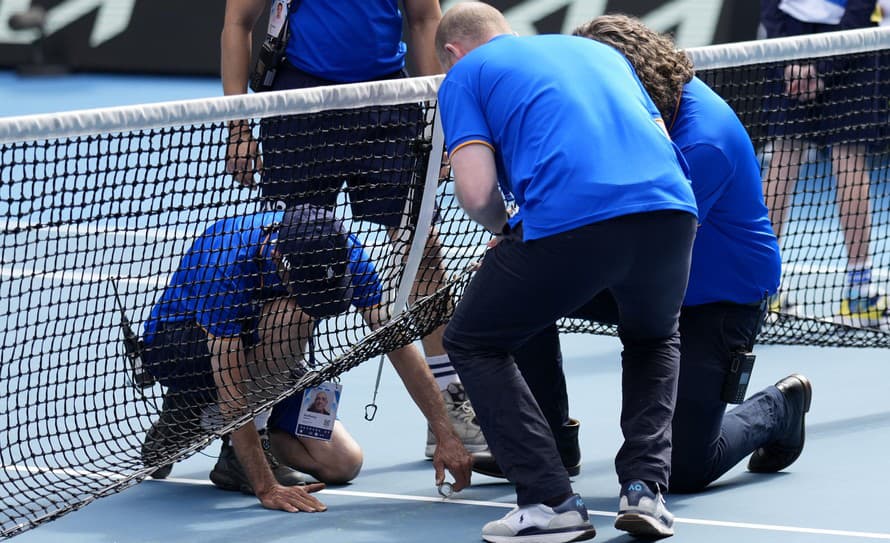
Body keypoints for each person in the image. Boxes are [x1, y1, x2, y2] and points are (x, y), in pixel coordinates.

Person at [473, 15, 815, 497]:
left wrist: (539, 245)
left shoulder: (703, 142)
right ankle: (549, 440)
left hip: (715, 301)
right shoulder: (624, 118)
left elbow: (644, 235)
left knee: (685, 469)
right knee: (513, 294)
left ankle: (779, 408)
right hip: (638, 278)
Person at [435, 3, 699, 540]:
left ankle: (549, 501)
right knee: (654, 337)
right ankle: (646, 491)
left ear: (452, 52)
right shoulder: (596, 50)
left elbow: (477, 192)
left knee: (474, 339)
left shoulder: (464, 74)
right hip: (673, 210)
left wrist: (507, 228)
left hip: (574, 219)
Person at [220, 0, 488, 460]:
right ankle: (255, 427)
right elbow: (238, 23)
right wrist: (238, 125)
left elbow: (425, 18)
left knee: (421, 250)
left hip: (387, 105)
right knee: (292, 266)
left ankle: (451, 403)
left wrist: (438, 116)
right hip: (300, 104)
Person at [140, 204, 472, 512]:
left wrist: (446, 434)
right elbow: (231, 384)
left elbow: (398, 345)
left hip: (269, 362)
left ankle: (200, 418)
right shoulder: (226, 262)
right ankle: (199, 414)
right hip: (182, 351)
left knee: (343, 463)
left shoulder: (345, 252)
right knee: (292, 315)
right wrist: (265, 486)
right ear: (279, 258)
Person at [760, 0, 887, 327]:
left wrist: (788, 57)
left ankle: (760, 288)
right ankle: (860, 294)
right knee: (847, 156)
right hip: (843, 39)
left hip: (792, 35)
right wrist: (822, 66)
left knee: (786, 156)